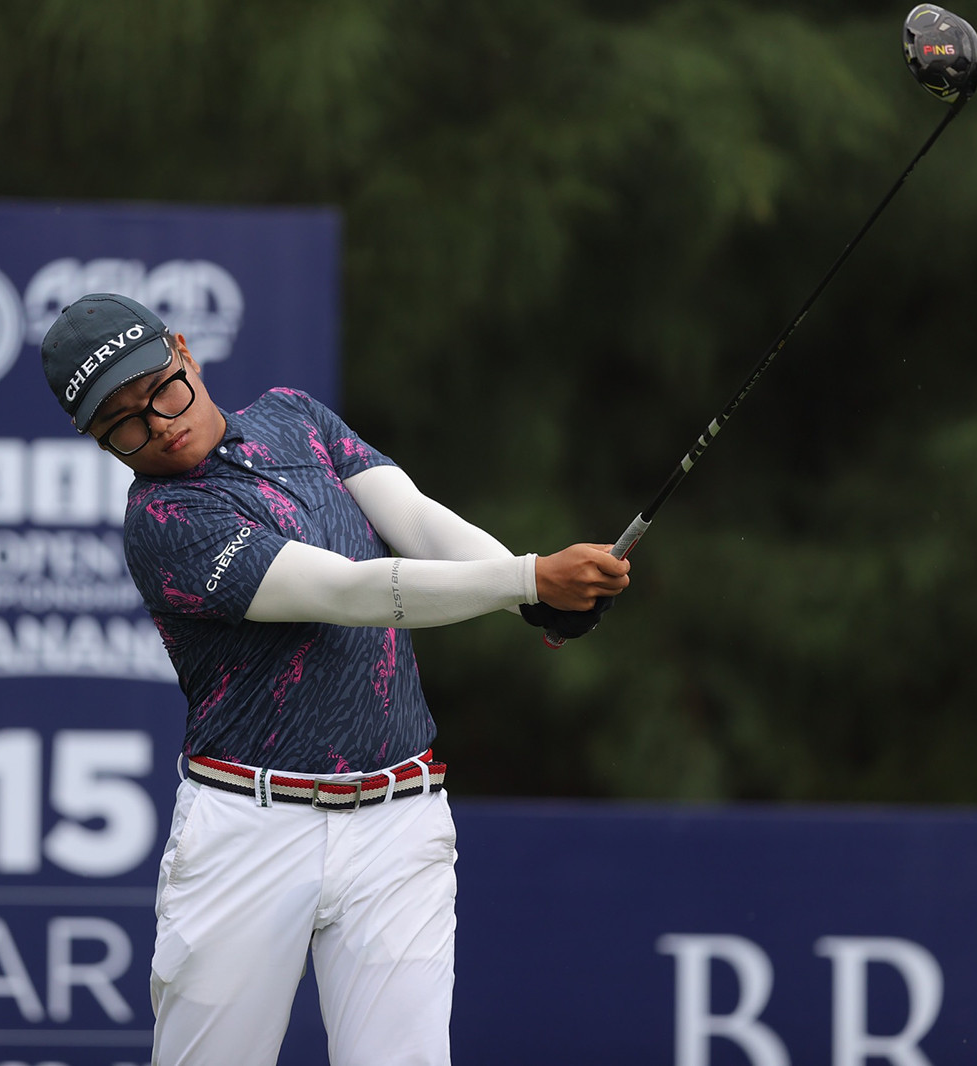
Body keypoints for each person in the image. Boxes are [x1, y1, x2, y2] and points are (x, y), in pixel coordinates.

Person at [40, 292, 629, 1066]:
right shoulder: (163, 522)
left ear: (185, 351)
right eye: (123, 424)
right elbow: (350, 592)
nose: (159, 425)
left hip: (399, 818)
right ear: (94, 437)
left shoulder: (296, 416)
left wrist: (531, 598)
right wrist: (525, 580)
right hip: (248, 830)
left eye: (162, 390)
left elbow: (416, 520)